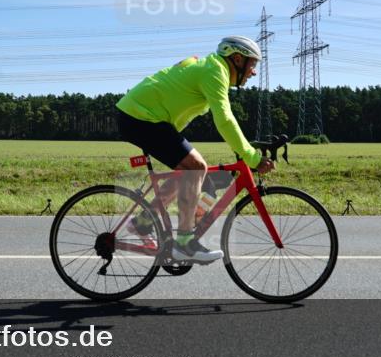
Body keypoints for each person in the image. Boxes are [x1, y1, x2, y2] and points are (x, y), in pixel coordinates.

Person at [115, 36, 275, 263]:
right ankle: (184, 244)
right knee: (196, 167)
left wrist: (248, 148)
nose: (254, 72)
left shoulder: (212, 67)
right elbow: (225, 120)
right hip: (141, 117)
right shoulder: (215, 71)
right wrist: (251, 157)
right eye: (252, 65)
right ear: (237, 59)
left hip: (143, 116)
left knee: (189, 173)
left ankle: (143, 223)